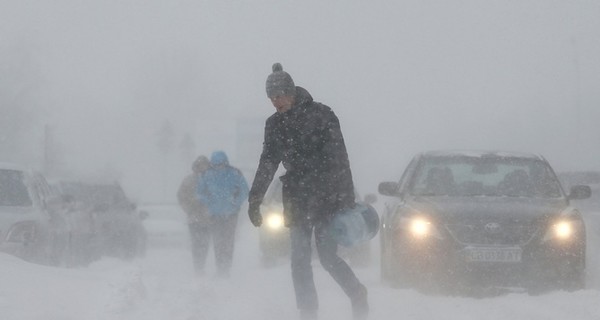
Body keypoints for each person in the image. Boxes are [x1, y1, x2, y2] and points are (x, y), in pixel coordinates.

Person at [247, 63, 368, 320]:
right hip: (297, 198)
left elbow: (340, 158)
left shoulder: (322, 115)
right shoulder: (275, 125)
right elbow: (268, 162)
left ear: (290, 92)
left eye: (278, 96)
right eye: (271, 98)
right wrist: (255, 198)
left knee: (327, 257)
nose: (275, 102)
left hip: (327, 197)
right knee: (299, 259)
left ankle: (357, 293)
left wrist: (346, 198)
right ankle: (308, 311)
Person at [197, 150, 249, 277]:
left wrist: (235, 203)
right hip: (215, 214)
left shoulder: (234, 174)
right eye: (217, 164)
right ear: (213, 164)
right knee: (218, 242)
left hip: (230, 214)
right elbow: (199, 192)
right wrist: (209, 201)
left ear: (226, 163)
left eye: (221, 164)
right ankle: (220, 268)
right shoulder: (207, 175)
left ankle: (226, 268)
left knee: (227, 242)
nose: (219, 167)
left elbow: (244, 190)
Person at [177, 155, 211, 275]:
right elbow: (181, 196)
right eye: (201, 165)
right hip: (194, 218)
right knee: (196, 243)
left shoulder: (211, 179)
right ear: (196, 166)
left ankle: (201, 266)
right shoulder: (188, 180)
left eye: (205, 165)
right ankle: (198, 267)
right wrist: (188, 208)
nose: (203, 167)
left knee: (205, 243)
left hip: (207, 218)